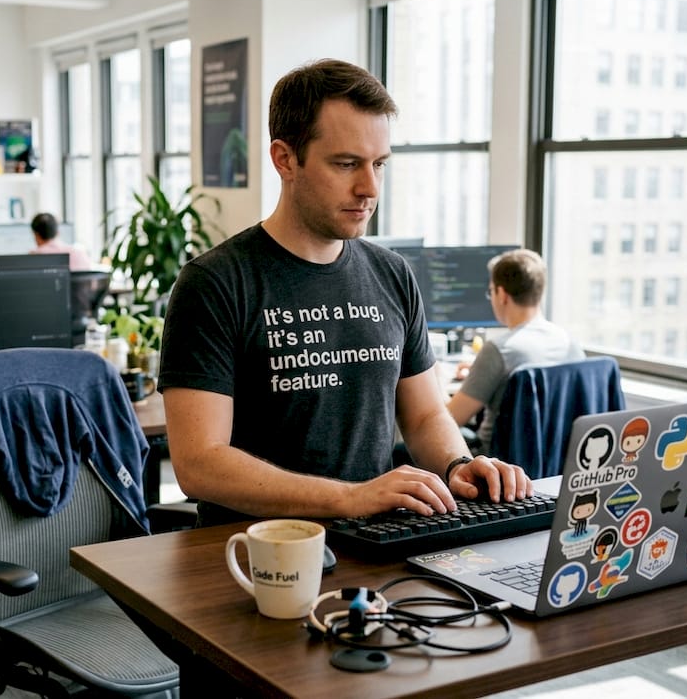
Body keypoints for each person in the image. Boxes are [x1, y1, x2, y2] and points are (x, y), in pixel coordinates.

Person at [157, 59, 531, 527]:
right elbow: (199, 464)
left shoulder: (393, 274)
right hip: (251, 552)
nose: (369, 187)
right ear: (285, 159)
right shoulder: (215, 284)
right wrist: (349, 498)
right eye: (347, 164)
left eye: (378, 164)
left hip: (372, 544)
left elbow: (423, 417)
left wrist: (457, 464)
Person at [445, 249, 585, 451]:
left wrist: (436, 384)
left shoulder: (498, 351)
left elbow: (450, 420)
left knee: (401, 452)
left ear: (501, 294)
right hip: (554, 463)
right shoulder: (570, 344)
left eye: (491, 290)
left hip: (493, 467)